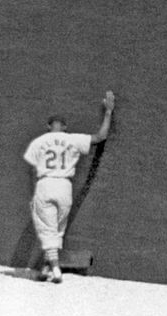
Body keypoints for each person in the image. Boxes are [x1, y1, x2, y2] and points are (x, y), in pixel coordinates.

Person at [23, 91, 115, 284]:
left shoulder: (38, 142)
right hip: (65, 187)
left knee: (47, 230)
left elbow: (32, 169)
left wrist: (34, 193)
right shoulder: (72, 139)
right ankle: (46, 269)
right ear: (65, 127)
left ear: (48, 127)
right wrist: (108, 112)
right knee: (57, 230)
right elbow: (100, 136)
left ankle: (55, 269)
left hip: (45, 184)